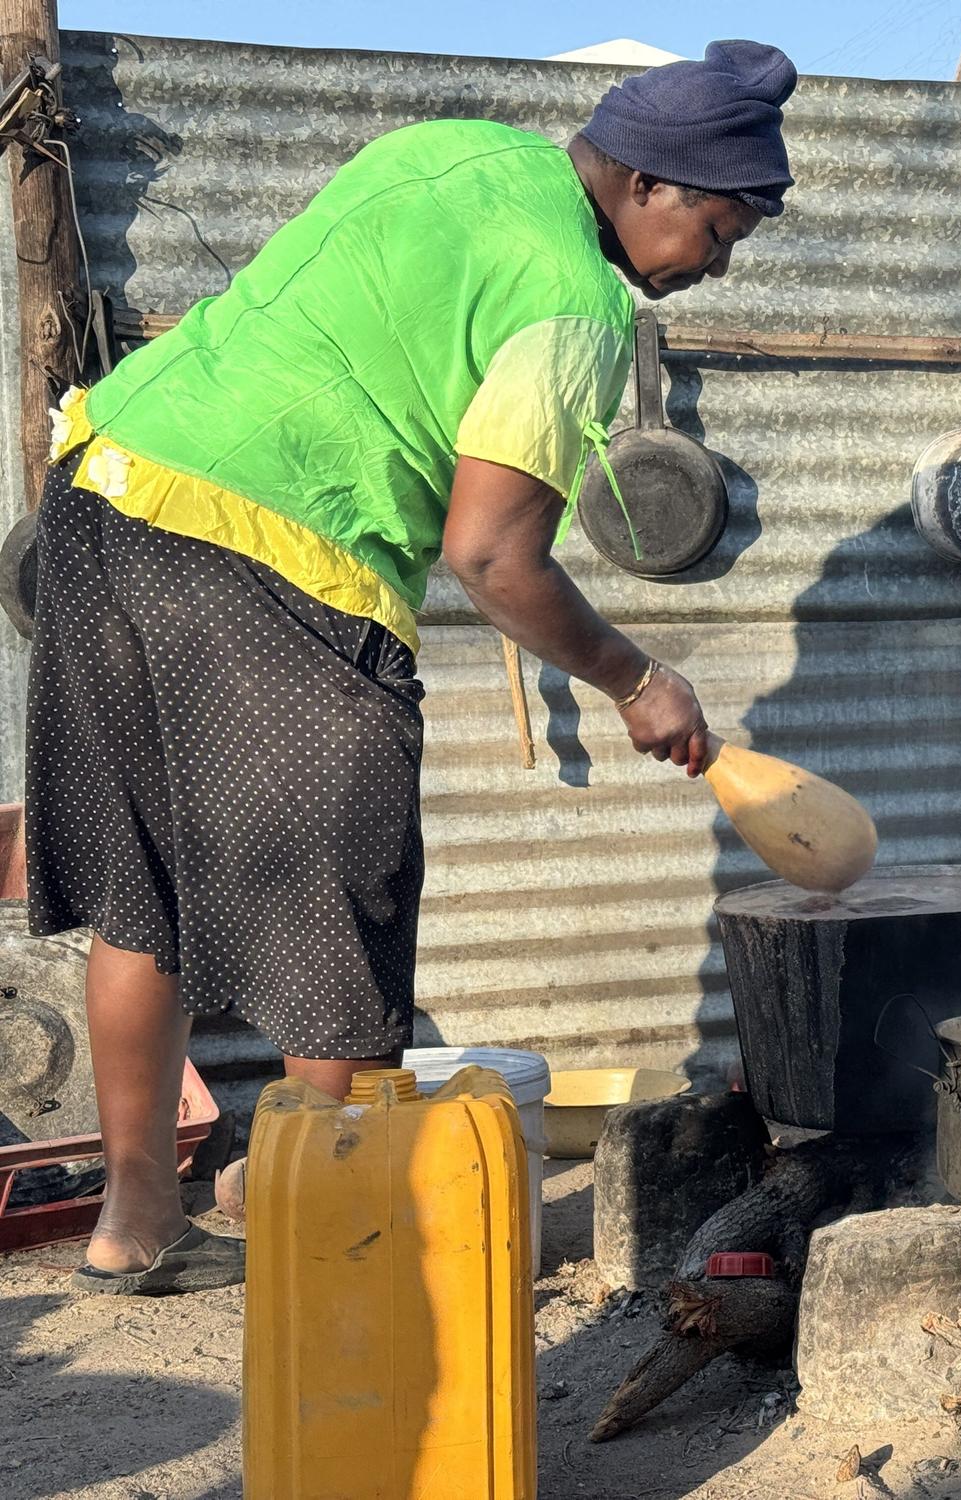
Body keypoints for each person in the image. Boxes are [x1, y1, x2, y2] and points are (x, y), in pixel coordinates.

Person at [28, 40, 799, 1294]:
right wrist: (635, 679)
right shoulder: (576, 305)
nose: (713, 266)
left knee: (148, 889)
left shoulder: (456, 149)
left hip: (109, 486)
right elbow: (494, 558)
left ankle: (140, 1218)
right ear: (655, 184)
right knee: (346, 916)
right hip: (268, 549)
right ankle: (318, 1248)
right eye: (721, 230)